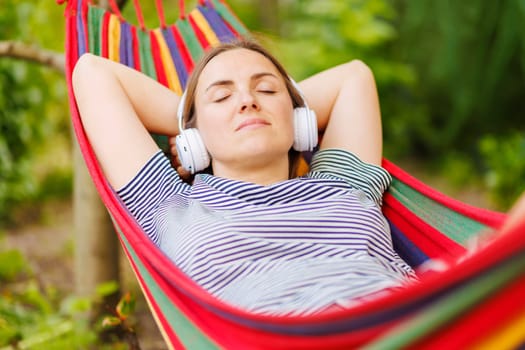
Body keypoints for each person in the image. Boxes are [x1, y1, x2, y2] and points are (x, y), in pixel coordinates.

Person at [72, 38, 418, 315]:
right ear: (192, 139)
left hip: (406, 324)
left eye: (266, 90)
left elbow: (353, 76)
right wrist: (193, 122)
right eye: (222, 96)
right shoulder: (171, 207)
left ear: (301, 120)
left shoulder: (341, 184)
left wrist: (272, 111)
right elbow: (91, 73)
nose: (248, 101)